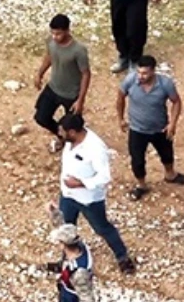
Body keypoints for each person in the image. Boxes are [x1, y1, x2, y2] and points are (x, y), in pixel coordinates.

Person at [56, 113, 136, 274]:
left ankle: (123, 257)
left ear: (72, 132)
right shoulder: (70, 142)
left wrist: (80, 184)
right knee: (66, 226)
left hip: (89, 199)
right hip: (68, 195)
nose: (60, 135)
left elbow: (104, 176)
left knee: (102, 228)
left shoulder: (95, 148)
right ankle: (67, 258)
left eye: (62, 132)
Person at [117, 55, 184, 200]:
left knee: (167, 154)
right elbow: (120, 98)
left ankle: (170, 175)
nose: (141, 76)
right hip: (137, 129)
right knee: (137, 160)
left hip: (160, 128)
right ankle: (141, 185)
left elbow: (176, 102)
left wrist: (173, 123)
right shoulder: (130, 81)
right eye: (139, 72)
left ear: (153, 71)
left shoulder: (165, 84)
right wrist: (120, 119)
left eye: (145, 73)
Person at [33, 14, 91, 153]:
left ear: (67, 31)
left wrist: (80, 100)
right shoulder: (51, 42)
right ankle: (61, 135)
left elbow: (86, 74)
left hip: (71, 94)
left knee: (74, 126)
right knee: (41, 117)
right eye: (52, 33)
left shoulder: (78, 50)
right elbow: (49, 57)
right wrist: (39, 73)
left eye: (58, 33)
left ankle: (79, 148)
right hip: (53, 88)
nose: (55, 36)